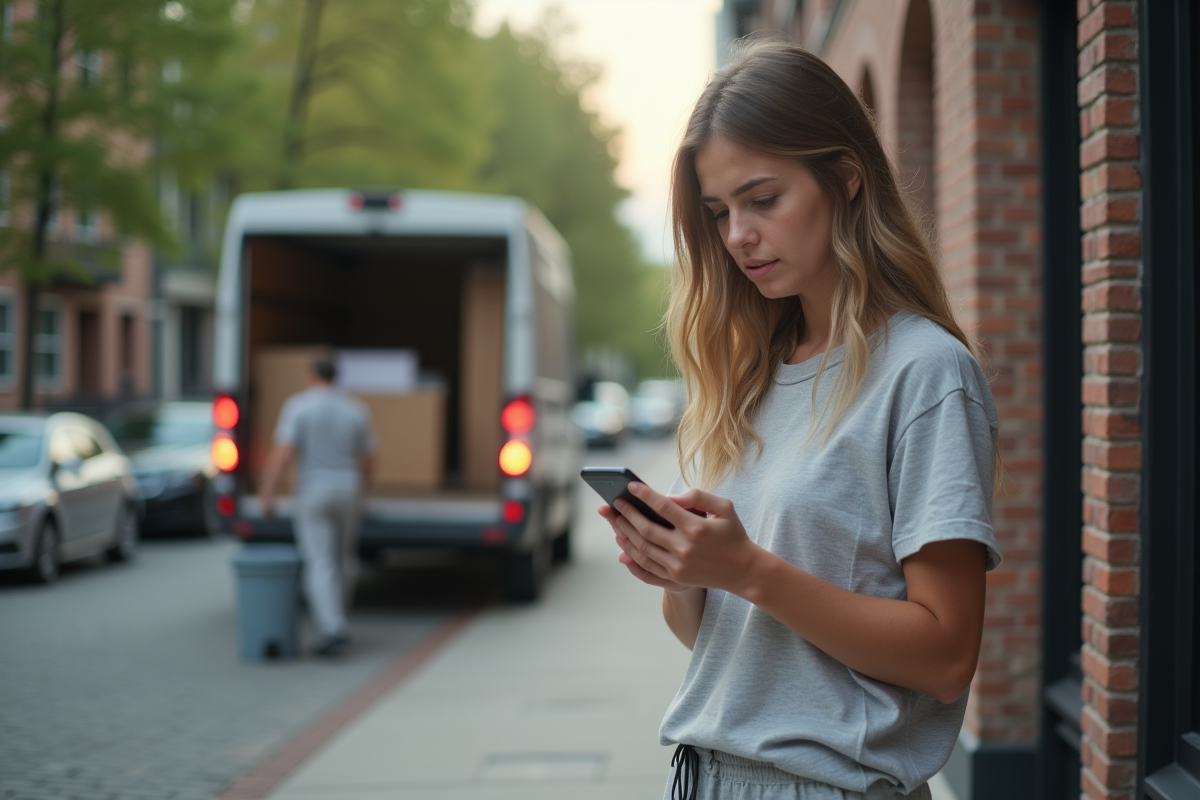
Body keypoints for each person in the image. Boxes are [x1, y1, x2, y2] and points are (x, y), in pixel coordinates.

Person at [600, 39, 1002, 800]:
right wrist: (684, 573)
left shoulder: (924, 374)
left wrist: (748, 569)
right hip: (706, 777)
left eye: (762, 200)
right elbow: (717, 642)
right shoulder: (751, 373)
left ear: (845, 178)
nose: (736, 236)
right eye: (719, 212)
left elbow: (947, 657)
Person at [259, 349, 376, 657]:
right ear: (337, 376)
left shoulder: (299, 407)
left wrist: (268, 490)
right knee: (343, 559)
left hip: (313, 491)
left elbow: (284, 452)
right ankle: (340, 618)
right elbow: (368, 458)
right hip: (348, 490)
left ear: (311, 375)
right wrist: (364, 489)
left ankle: (332, 629)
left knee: (319, 561)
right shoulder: (355, 409)